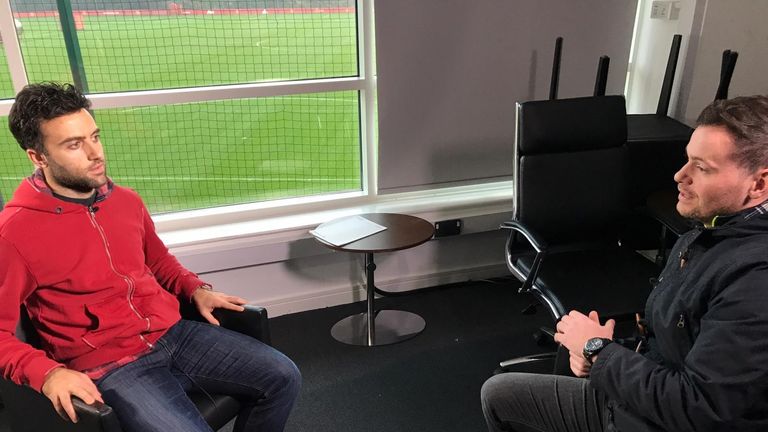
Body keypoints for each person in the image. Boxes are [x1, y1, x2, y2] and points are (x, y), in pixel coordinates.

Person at [0, 82, 301, 432]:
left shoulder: (126, 201)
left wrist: (195, 289)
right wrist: (48, 374)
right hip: (112, 364)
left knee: (283, 377)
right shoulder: (14, 233)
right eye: (74, 144)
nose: (95, 153)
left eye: (95, 137)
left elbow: (157, 262)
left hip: (172, 333)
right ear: (38, 157)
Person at [481, 95, 768, 432]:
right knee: (556, 360)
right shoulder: (712, 230)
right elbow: (673, 343)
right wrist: (606, 355)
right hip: (649, 393)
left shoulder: (755, 281)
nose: (680, 175)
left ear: (759, 183)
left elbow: (698, 407)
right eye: (687, 160)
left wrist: (598, 350)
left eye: (701, 168)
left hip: (663, 419)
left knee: (500, 396)